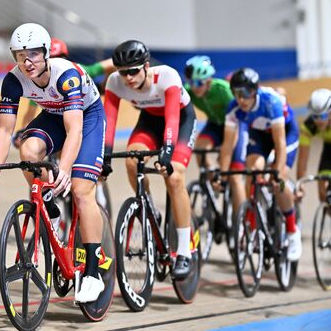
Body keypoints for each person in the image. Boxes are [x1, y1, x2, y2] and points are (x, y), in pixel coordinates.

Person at [0, 23, 107, 303]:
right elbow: (5, 131)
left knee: (81, 191)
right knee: (28, 151)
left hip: (87, 116)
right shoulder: (12, 80)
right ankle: (50, 207)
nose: (27, 61)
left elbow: (75, 131)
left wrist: (66, 170)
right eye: (20, 55)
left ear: (46, 53)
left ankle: (93, 273)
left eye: (33, 54)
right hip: (53, 115)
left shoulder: (66, 75)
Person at [103, 40, 197, 280]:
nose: (128, 78)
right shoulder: (115, 82)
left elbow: (173, 119)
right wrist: (104, 156)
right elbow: (109, 122)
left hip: (179, 121)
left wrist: (167, 150)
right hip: (149, 123)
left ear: (146, 66)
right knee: (132, 160)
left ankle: (185, 251)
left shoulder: (166, 76)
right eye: (123, 72)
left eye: (133, 71)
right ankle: (149, 209)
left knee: (174, 177)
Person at [219, 68, 302, 261]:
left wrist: (277, 172)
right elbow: (227, 147)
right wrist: (222, 175)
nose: (241, 99)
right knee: (253, 171)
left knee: (278, 180)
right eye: (237, 93)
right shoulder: (233, 109)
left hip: (285, 134)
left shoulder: (270, 102)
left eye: (246, 93)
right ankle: (253, 225)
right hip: (260, 136)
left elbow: (280, 144)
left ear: (255, 91)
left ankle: (292, 231)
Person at [184, 56, 247, 214]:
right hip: (215, 124)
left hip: (236, 125)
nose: (195, 87)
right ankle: (214, 182)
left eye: (199, 83)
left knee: (234, 176)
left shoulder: (224, 90)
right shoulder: (189, 91)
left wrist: (227, 156)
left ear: (209, 80)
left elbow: (237, 120)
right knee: (200, 150)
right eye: (191, 83)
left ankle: (241, 221)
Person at [13, 37, 115, 137]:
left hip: (83, 118)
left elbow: (111, 64)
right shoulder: (38, 81)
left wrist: (103, 85)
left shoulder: (75, 70)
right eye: (52, 58)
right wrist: (24, 134)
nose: (56, 62)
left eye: (59, 57)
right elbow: (29, 115)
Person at [296, 88, 331, 202]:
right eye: (315, 116)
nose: (319, 121)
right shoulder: (308, 127)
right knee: (323, 192)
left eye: (323, 116)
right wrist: (300, 184)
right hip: (329, 148)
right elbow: (303, 160)